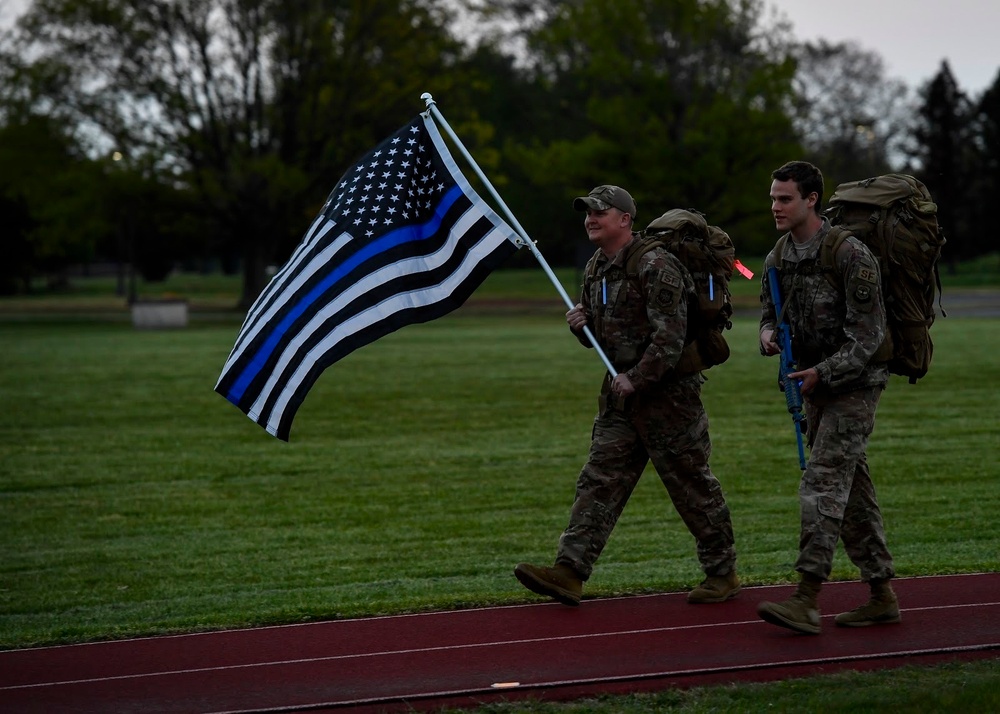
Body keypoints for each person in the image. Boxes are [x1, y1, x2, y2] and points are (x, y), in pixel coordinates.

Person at [513, 184, 739, 607]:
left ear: (625, 220)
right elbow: (605, 340)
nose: (591, 219)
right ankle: (570, 570)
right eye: (587, 213)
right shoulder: (597, 267)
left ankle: (722, 572)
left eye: (601, 212)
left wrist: (638, 377)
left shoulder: (656, 265)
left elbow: (670, 338)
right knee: (599, 480)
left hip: (669, 398)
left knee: (691, 486)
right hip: (621, 397)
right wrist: (581, 328)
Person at [756, 161, 900, 634]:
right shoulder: (778, 257)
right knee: (851, 490)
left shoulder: (849, 254)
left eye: (785, 199)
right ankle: (881, 594)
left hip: (853, 386)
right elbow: (768, 310)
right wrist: (768, 334)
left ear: (812, 199)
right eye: (774, 198)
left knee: (821, 484)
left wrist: (824, 370)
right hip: (811, 385)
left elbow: (868, 335)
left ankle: (806, 597)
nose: (776, 206)